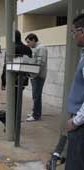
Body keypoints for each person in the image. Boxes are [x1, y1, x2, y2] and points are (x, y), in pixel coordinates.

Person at [65, 13, 84, 170]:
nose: (73, 36)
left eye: (73, 32)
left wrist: (76, 121)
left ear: (82, 31)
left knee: (75, 165)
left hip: (80, 125)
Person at [25, 33, 48, 122]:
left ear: (34, 40)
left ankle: (36, 115)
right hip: (35, 75)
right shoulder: (36, 48)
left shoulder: (41, 48)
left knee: (37, 96)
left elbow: (40, 63)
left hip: (38, 76)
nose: (28, 44)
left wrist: (34, 74)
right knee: (35, 95)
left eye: (28, 42)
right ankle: (35, 112)